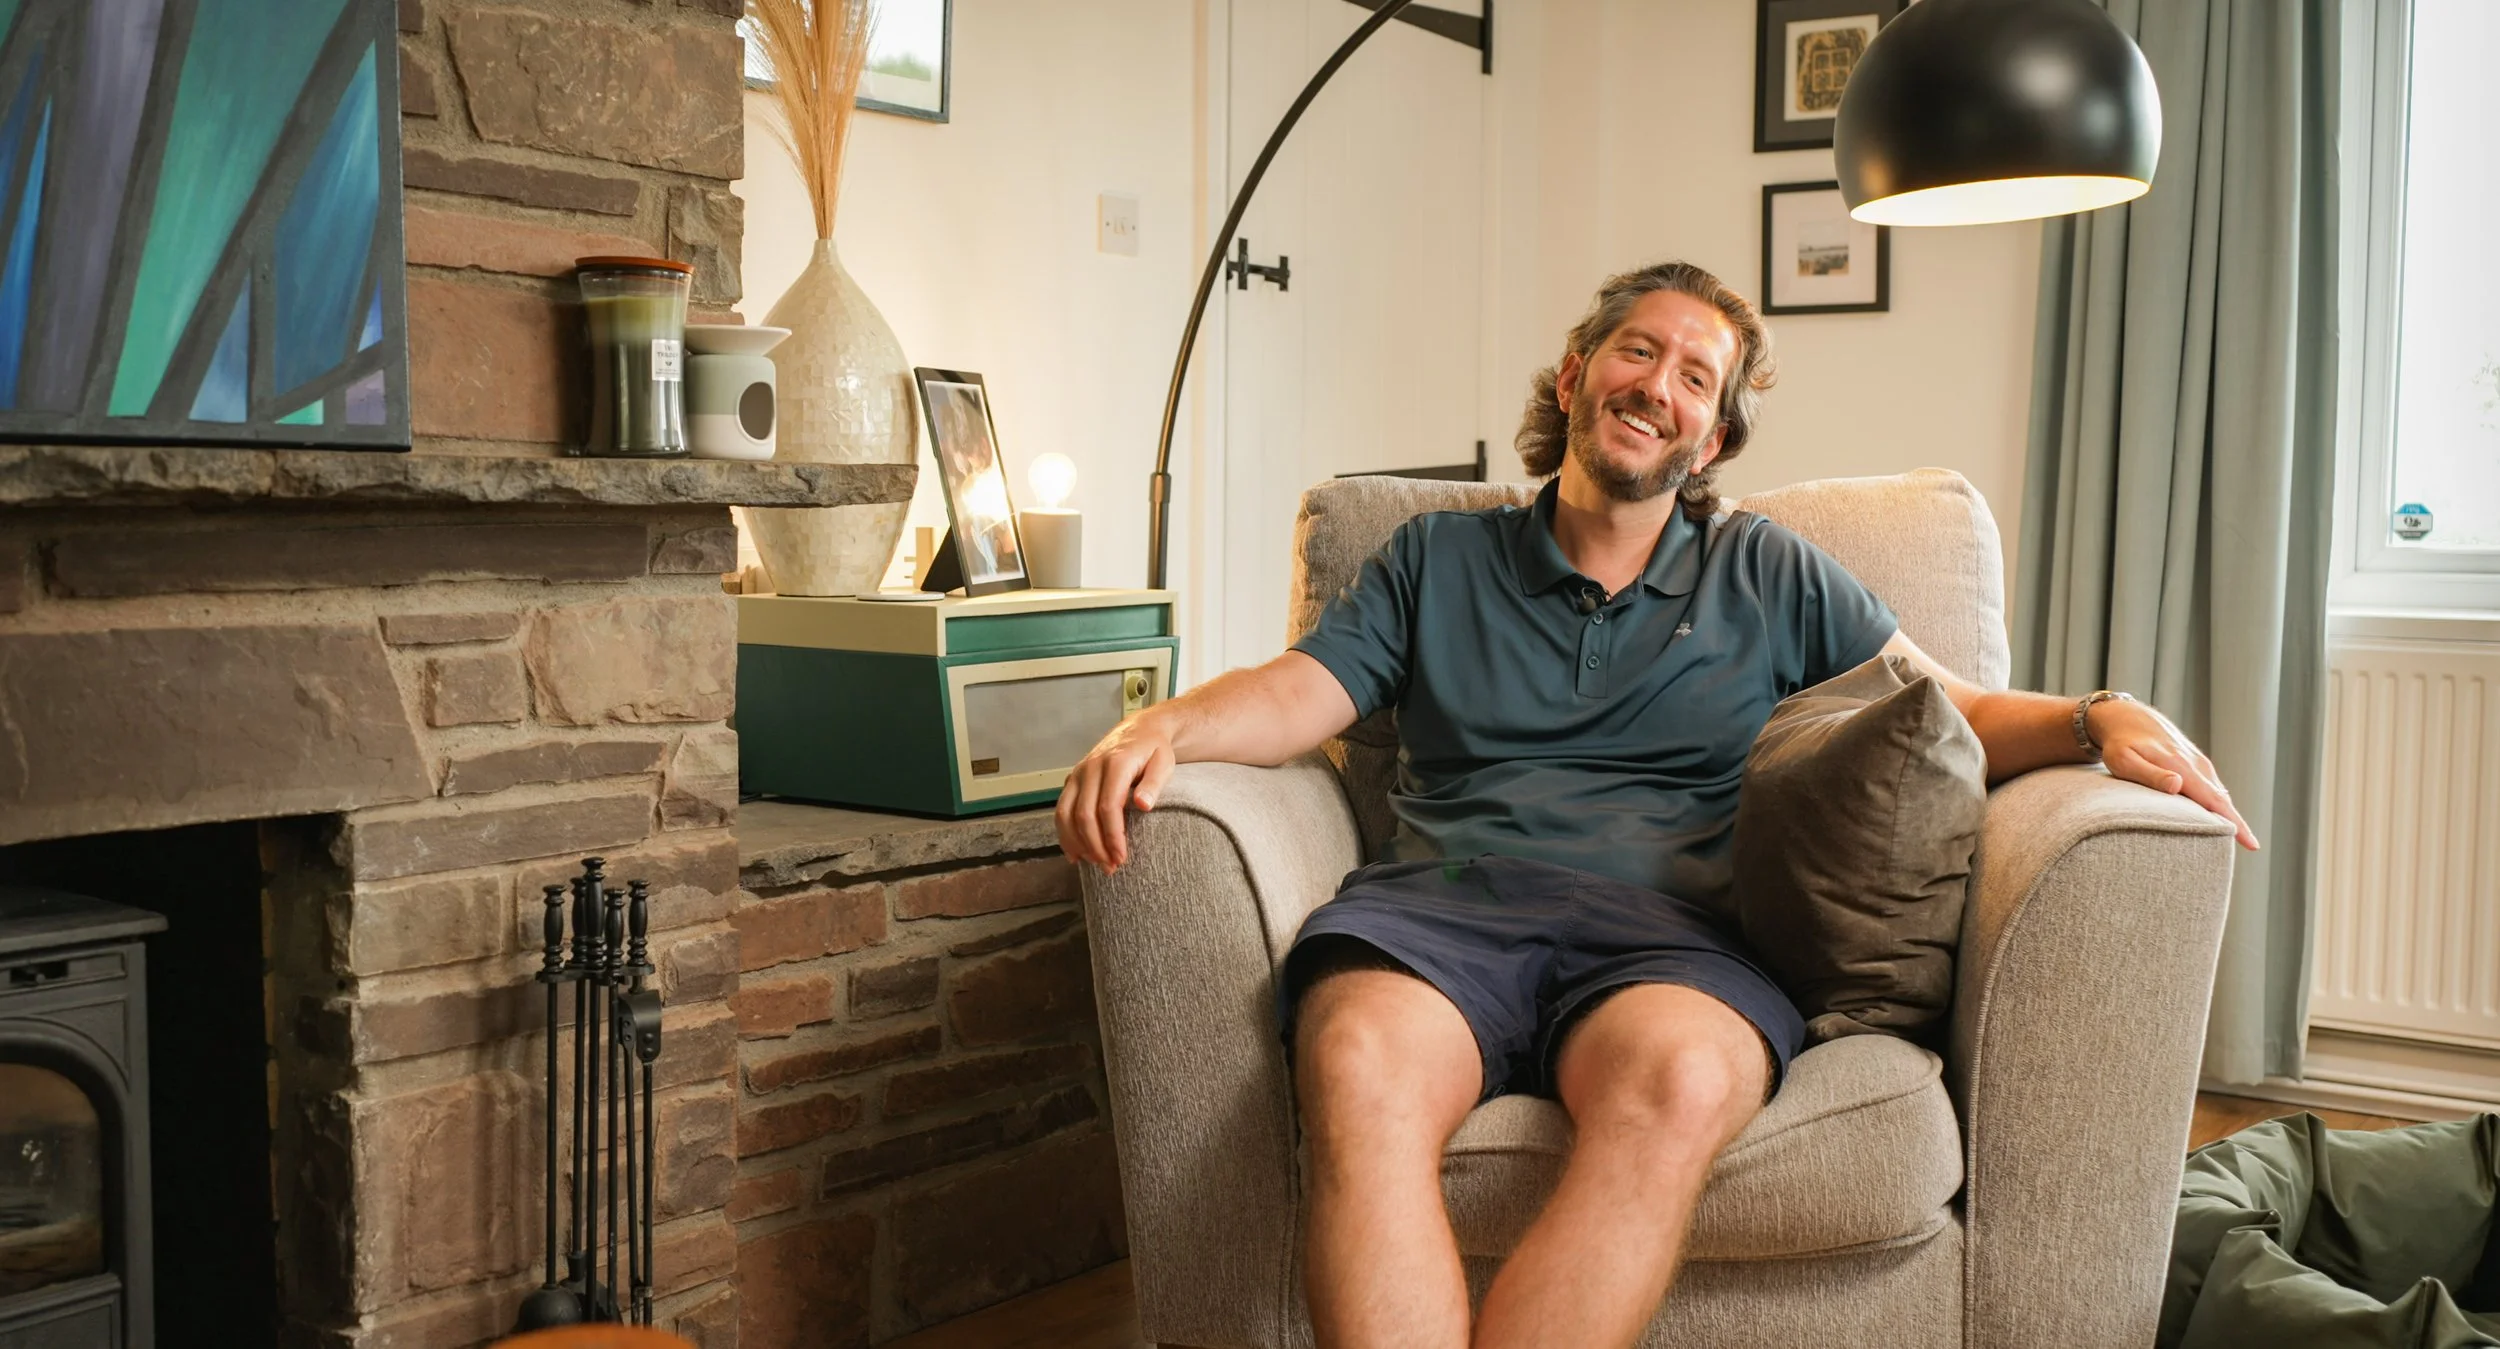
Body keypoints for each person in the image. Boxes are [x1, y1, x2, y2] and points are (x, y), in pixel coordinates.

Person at [1055, 260, 2256, 1349]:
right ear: (1579, 372)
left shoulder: (1767, 567)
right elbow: (1295, 692)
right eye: (1639, 351)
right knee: (1359, 1064)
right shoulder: (1435, 557)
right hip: (1442, 914)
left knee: (1678, 1085)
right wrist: (1160, 722)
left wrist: (2100, 713)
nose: (1658, 386)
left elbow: (1946, 710)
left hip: (1672, 939)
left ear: (1713, 434)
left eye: (1696, 376)